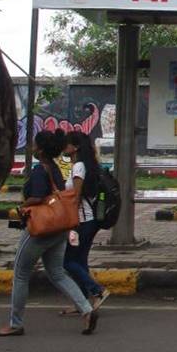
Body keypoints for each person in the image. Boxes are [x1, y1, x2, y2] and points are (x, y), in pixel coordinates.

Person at [0, 129, 99, 337]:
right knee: (57, 273)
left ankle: (15, 323)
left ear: (40, 150)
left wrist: (23, 206)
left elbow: (39, 196)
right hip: (59, 229)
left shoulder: (40, 170)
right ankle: (86, 309)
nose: (32, 148)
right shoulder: (55, 169)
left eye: (34, 145)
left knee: (20, 275)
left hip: (40, 229)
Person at [60, 131, 111, 312]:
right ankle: (82, 303)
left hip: (82, 221)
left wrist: (72, 223)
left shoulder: (79, 167)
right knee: (80, 261)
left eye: (66, 144)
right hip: (89, 220)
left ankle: (98, 290)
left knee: (68, 262)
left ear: (75, 147)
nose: (63, 147)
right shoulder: (87, 165)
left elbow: (76, 197)